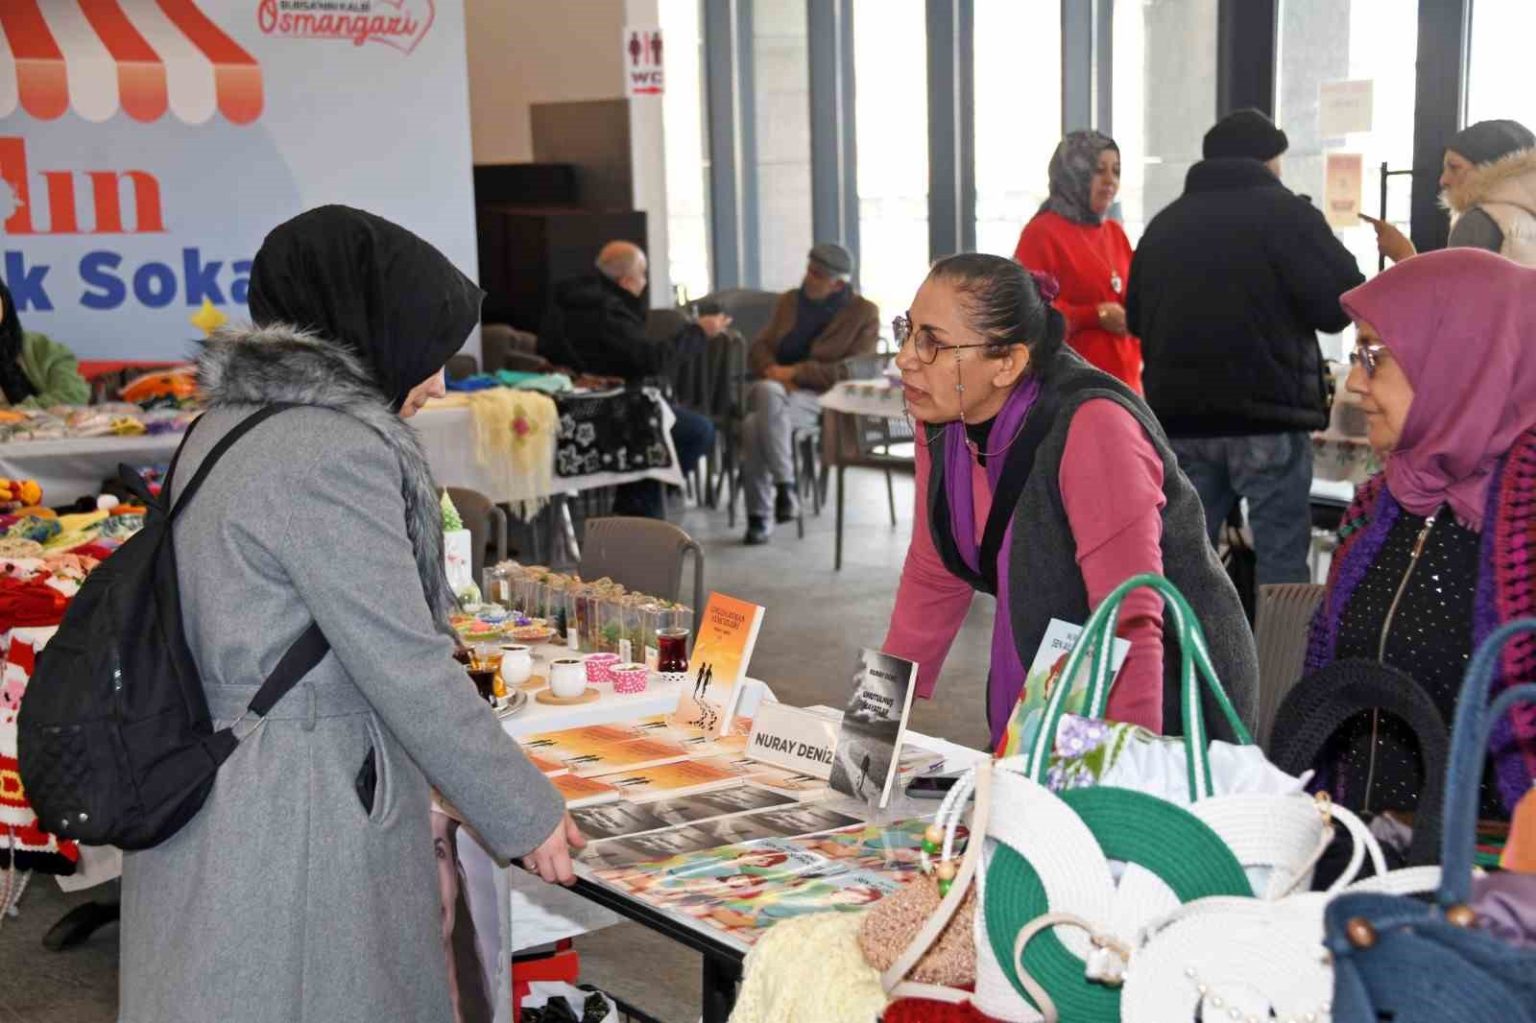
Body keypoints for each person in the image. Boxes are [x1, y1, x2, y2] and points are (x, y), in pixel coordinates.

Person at [119, 206, 582, 1023]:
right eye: (429, 349)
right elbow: (404, 663)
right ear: (372, 327)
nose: (438, 383)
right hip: (294, 807)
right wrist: (524, 810)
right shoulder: (328, 450)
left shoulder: (229, 423)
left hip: (224, 784)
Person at [882, 254, 1257, 750]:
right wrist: (870, 730)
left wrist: (1123, 780)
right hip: (1060, 681)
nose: (905, 357)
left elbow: (1128, 621)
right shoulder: (943, 417)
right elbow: (933, 575)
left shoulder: (1094, 426)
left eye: (932, 341)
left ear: (1008, 363)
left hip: (1166, 698)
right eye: (907, 330)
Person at [1306, 248, 1536, 820]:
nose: (1354, 383)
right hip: (1360, 849)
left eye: (1373, 356)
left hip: (1486, 865)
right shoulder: (1382, 504)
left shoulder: (1524, 522)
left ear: (1460, 359)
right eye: (1355, 356)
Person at [1126, 108, 1364, 586]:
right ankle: (1276, 640)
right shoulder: (1289, 215)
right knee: (1281, 562)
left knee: (1183, 561)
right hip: (1268, 421)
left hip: (1182, 421)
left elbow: (1135, 318)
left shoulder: (1165, 225)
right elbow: (1341, 303)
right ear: (1269, 160)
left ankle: (1184, 638)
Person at [538, 240, 722, 519]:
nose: (645, 282)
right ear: (626, 281)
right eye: (643, 274)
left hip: (568, 405)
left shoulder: (566, 298)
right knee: (699, 431)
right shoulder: (608, 311)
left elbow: (546, 348)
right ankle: (639, 506)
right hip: (608, 412)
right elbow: (650, 361)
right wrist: (698, 332)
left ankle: (641, 501)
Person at [742, 243, 879, 544]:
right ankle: (786, 487)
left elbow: (853, 370)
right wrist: (772, 370)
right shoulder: (790, 301)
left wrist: (796, 373)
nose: (808, 277)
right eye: (808, 269)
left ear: (838, 284)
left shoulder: (863, 312)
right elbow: (760, 345)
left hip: (823, 398)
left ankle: (760, 516)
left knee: (753, 425)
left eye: (817, 274)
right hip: (777, 390)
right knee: (766, 391)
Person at [1012, 131, 1141, 392]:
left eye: (1116, 171)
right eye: (1099, 170)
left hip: (1126, 386)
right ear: (1074, 173)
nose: (1110, 181)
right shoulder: (1041, 233)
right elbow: (1029, 313)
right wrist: (1095, 315)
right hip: (1071, 388)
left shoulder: (1115, 233)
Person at [1366, 118, 1536, 266]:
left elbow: (1452, 293)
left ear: (1489, 170)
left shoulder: (1479, 222)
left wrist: (1403, 255)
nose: (1443, 180)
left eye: (1454, 168)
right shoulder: (1525, 218)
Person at [0, 278, 89, 408]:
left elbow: (72, 397)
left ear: (5, 303)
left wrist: (18, 414)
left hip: (51, 421)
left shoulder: (41, 348)